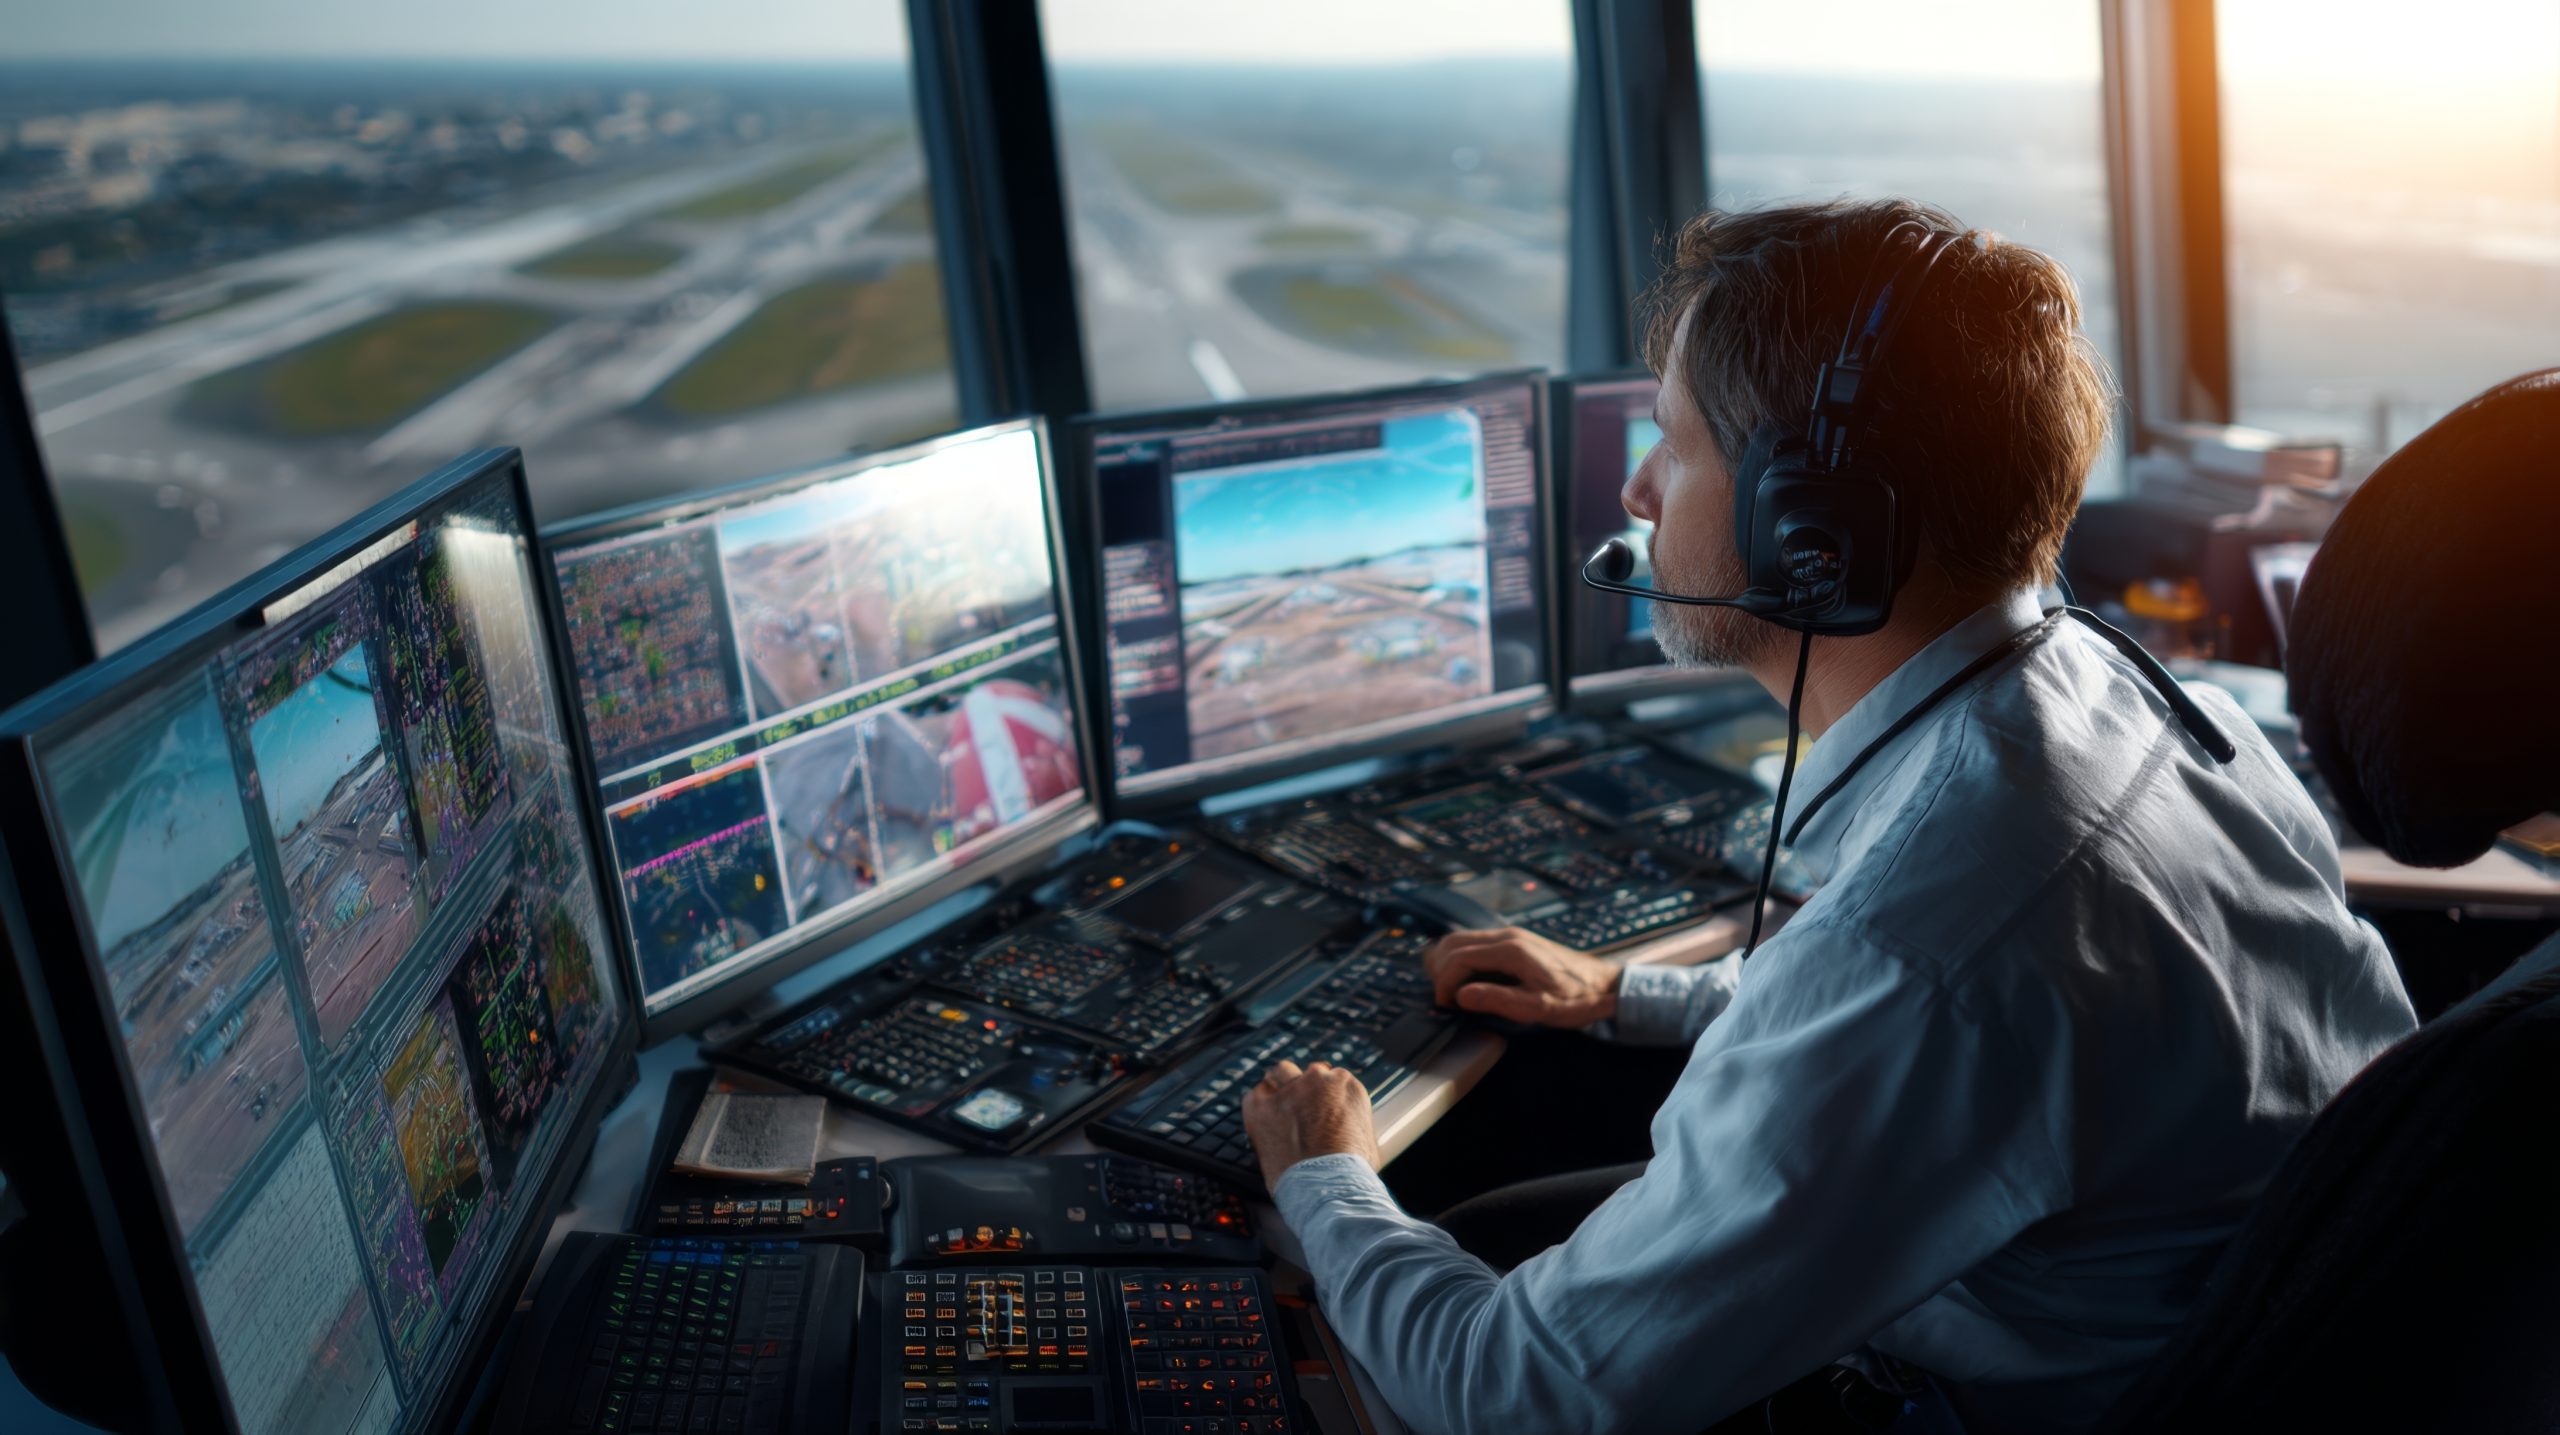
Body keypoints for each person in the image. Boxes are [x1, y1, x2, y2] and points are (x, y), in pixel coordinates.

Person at [1239, 199, 2418, 1434]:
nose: (1639, 490)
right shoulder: (2112, 686)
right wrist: (1622, 992)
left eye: (1671, 441)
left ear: (1811, 526)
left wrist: (1324, 1173)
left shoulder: (1933, 929)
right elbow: (1957, 1036)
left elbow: (1511, 1397)